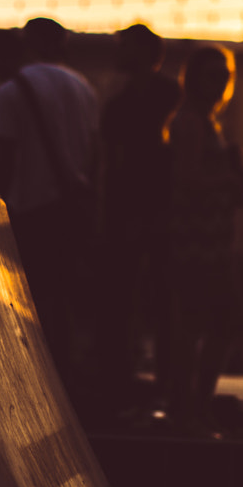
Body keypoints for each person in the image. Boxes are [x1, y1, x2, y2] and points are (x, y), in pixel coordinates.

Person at [0, 19, 100, 380]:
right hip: (72, 209)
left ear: (26, 44)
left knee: (31, 298)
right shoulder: (84, 88)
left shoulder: (12, 90)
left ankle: (36, 377)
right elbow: (95, 155)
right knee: (65, 298)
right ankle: (68, 376)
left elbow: (3, 157)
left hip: (30, 209)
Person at [163, 46, 243, 435]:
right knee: (201, 323)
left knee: (214, 322)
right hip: (194, 240)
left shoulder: (209, 122)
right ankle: (188, 408)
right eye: (212, 75)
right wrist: (230, 181)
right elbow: (186, 179)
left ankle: (194, 407)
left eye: (225, 76)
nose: (220, 84)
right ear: (193, 78)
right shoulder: (191, 122)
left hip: (212, 239)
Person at [100, 24, 181, 402]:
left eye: (125, 46)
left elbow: (111, 164)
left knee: (154, 301)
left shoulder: (167, 97)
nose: (118, 52)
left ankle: (154, 383)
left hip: (156, 213)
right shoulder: (128, 101)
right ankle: (128, 380)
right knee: (130, 300)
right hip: (139, 213)